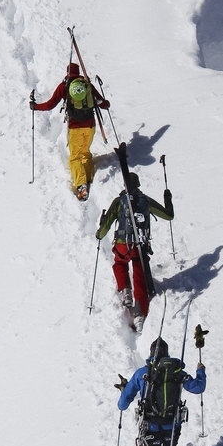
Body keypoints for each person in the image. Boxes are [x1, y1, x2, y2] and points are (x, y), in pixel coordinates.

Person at [119, 334, 206, 446]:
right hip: (172, 425)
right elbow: (198, 387)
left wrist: (123, 398)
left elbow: (123, 403)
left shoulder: (142, 373)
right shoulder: (177, 372)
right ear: (166, 353)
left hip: (150, 425)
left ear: (151, 353)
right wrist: (200, 370)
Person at [96, 172, 173, 321]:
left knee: (120, 263)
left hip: (122, 244)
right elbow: (168, 216)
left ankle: (126, 291)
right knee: (139, 275)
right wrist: (167, 199)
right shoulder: (146, 201)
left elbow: (107, 225)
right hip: (139, 245)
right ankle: (140, 314)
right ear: (138, 185)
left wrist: (99, 234)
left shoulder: (119, 201)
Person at [31, 62, 110, 200]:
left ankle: (81, 185)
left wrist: (35, 107)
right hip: (90, 126)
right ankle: (89, 178)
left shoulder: (65, 86)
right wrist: (106, 103)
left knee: (74, 157)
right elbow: (103, 103)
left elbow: (50, 104)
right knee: (85, 152)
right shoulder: (87, 85)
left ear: (67, 73)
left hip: (75, 127)